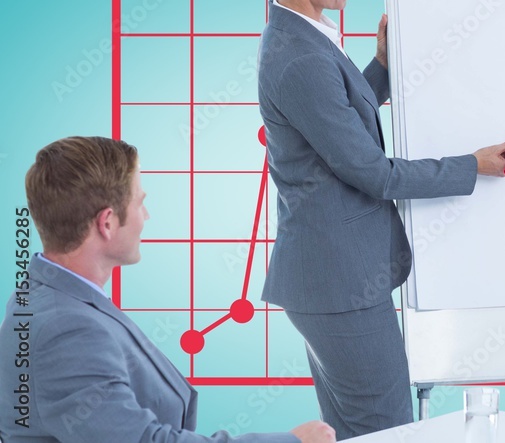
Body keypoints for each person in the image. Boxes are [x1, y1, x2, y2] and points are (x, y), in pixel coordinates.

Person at [239, 0, 505, 438]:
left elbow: (336, 121)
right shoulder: (299, 56)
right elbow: (371, 172)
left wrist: (383, 66)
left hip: (334, 279)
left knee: (356, 432)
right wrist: (473, 166)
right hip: (338, 283)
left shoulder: (302, 32)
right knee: (387, 430)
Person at [0, 137, 336, 443]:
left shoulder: (57, 295)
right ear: (107, 223)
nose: (146, 215)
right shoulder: (66, 329)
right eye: (139, 203)